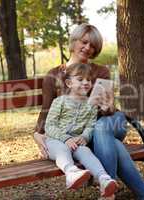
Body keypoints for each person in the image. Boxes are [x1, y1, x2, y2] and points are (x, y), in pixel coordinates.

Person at [34, 23, 144, 200]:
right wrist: (37, 134)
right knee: (114, 146)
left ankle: (107, 192)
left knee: (101, 127)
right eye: (84, 42)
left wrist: (106, 103)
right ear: (74, 41)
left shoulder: (101, 71)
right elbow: (46, 112)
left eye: (93, 46)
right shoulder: (54, 75)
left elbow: (104, 111)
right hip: (83, 135)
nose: (87, 48)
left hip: (109, 123)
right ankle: (142, 196)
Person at [44, 63, 118, 197]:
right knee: (62, 150)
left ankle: (103, 179)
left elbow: (90, 125)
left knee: (86, 152)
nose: (85, 82)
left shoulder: (91, 106)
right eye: (80, 79)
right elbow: (49, 126)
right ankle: (71, 173)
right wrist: (65, 139)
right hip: (55, 142)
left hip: (77, 143)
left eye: (88, 80)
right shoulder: (59, 102)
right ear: (68, 83)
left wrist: (84, 136)